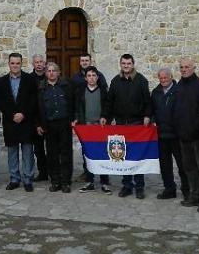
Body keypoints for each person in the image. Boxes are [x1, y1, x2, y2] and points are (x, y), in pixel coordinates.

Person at [102, 54, 151, 199]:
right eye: (123, 63)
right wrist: (105, 116)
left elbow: (147, 101)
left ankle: (139, 187)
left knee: (137, 156)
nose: (126, 66)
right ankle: (127, 186)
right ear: (120, 64)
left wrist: (147, 115)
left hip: (137, 124)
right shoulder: (115, 81)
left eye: (128, 63)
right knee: (124, 156)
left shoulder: (141, 80)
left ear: (133, 64)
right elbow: (110, 101)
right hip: (121, 124)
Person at [172, 58, 199, 212]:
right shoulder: (179, 86)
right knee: (189, 168)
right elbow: (176, 109)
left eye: (187, 67)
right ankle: (195, 195)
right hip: (183, 136)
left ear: (193, 68)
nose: (184, 69)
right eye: (181, 67)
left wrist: (196, 130)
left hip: (198, 137)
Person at [0, 52, 38, 192]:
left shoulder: (30, 80)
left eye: (18, 63)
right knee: (12, 152)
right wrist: (12, 114)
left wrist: (23, 114)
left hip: (26, 121)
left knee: (27, 152)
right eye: (12, 63)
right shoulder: (2, 81)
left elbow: (33, 100)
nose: (15, 66)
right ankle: (14, 179)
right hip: (10, 121)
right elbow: (0, 101)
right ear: (9, 64)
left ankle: (28, 179)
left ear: (21, 64)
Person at [150, 67, 187, 200]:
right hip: (161, 135)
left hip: (176, 135)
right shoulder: (156, 92)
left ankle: (187, 189)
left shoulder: (179, 91)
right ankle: (169, 188)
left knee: (182, 164)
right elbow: (152, 110)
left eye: (165, 77)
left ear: (171, 77)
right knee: (165, 165)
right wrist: (152, 120)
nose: (163, 80)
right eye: (161, 78)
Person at [37, 62, 75, 192]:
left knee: (66, 153)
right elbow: (38, 108)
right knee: (52, 154)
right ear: (45, 73)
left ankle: (65, 182)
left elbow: (73, 102)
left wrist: (74, 118)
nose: (51, 73)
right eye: (49, 71)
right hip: (49, 125)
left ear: (59, 72)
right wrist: (39, 124)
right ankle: (55, 181)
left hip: (64, 123)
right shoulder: (41, 88)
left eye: (54, 70)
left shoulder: (66, 86)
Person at [72, 66, 110, 193]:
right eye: (89, 76)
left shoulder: (103, 91)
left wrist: (105, 116)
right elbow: (77, 107)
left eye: (94, 75)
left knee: (102, 154)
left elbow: (107, 106)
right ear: (85, 78)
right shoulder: (80, 91)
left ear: (97, 77)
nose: (91, 78)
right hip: (86, 127)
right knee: (87, 154)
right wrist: (76, 119)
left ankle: (104, 182)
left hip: (100, 127)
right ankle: (89, 181)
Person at [30, 53, 48, 181]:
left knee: (53, 148)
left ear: (44, 63)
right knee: (38, 149)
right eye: (37, 62)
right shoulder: (28, 79)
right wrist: (37, 124)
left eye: (41, 62)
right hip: (36, 120)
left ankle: (54, 172)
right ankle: (43, 172)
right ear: (33, 64)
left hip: (50, 119)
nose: (39, 64)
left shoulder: (50, 76)